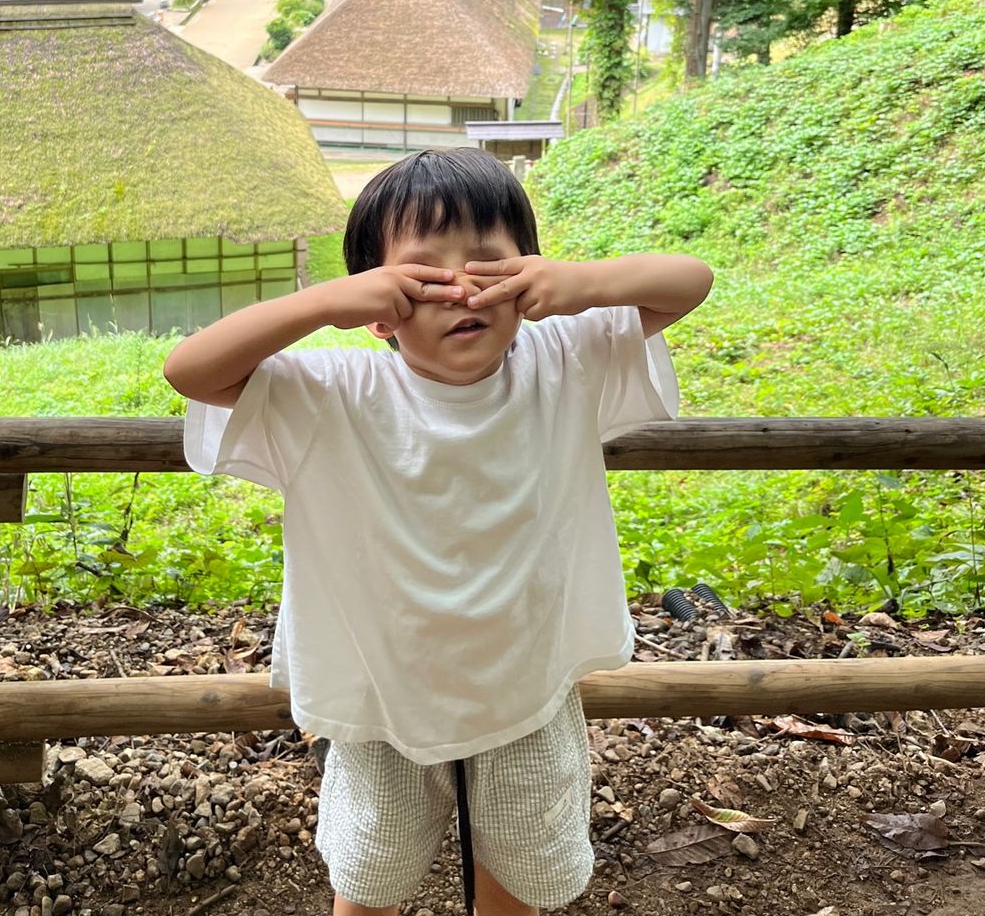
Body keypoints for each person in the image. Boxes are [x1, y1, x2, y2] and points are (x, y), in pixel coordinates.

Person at [165, 149, 713, 916]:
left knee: (520, 880)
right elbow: (191, 370)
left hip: (527, 685)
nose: (461, 287)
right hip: (382, 698)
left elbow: (691, 280)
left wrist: (582, 283)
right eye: (424, 275)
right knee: (369, 883)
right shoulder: (332, 393)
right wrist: (326, 302)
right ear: (378, 304)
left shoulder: (565, 359)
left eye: (490, 267)